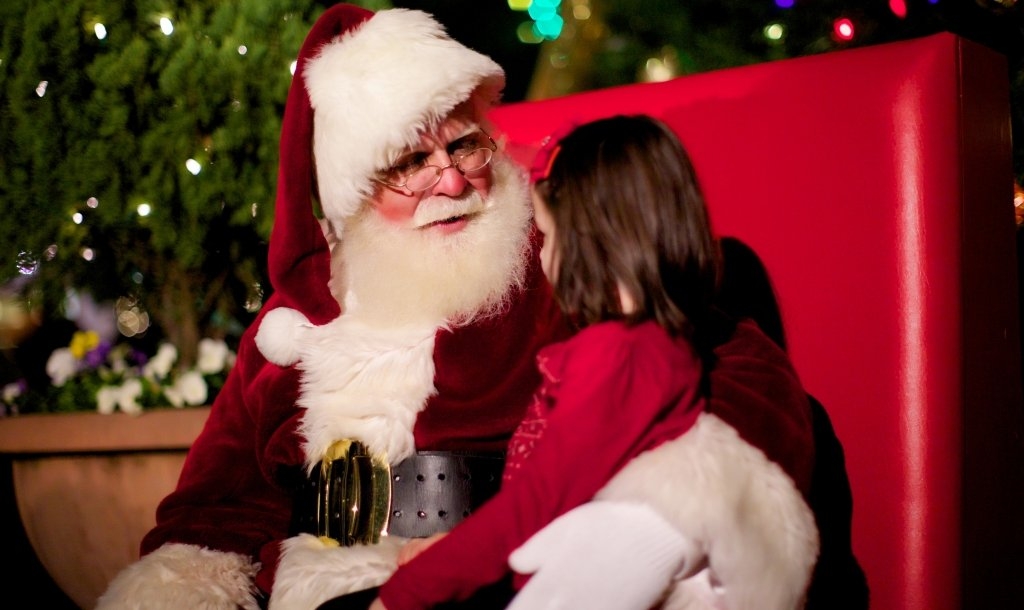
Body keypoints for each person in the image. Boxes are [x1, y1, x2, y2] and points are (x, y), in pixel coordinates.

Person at [96, 5, 844, 610]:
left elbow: (733, 367)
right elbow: (215, 510)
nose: (450, 182)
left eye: (466, 148)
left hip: (500, 570)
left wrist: (652, 523)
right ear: (349, 197)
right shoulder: (295, 326)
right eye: (410, 163)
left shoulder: (561, 260)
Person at [362, 115, 818, 610]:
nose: (541, 256)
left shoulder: (618, 358)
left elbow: (539, 500)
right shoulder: (650, 344)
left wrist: (408, 592)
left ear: (588, 245)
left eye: (550, 237)